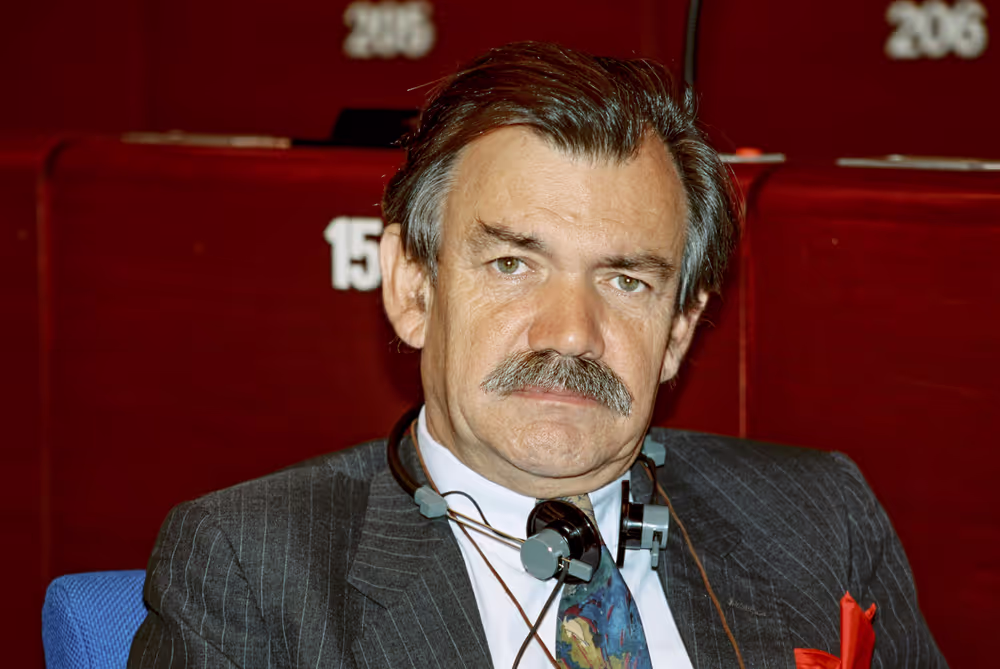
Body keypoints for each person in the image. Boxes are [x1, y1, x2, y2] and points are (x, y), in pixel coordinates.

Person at [128, 42, 947, 669]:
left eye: (626, 280)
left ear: (681, 329)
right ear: (413, 288)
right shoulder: (252, 566)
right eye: (513, 264)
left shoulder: (820, 519)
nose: (570, 332)